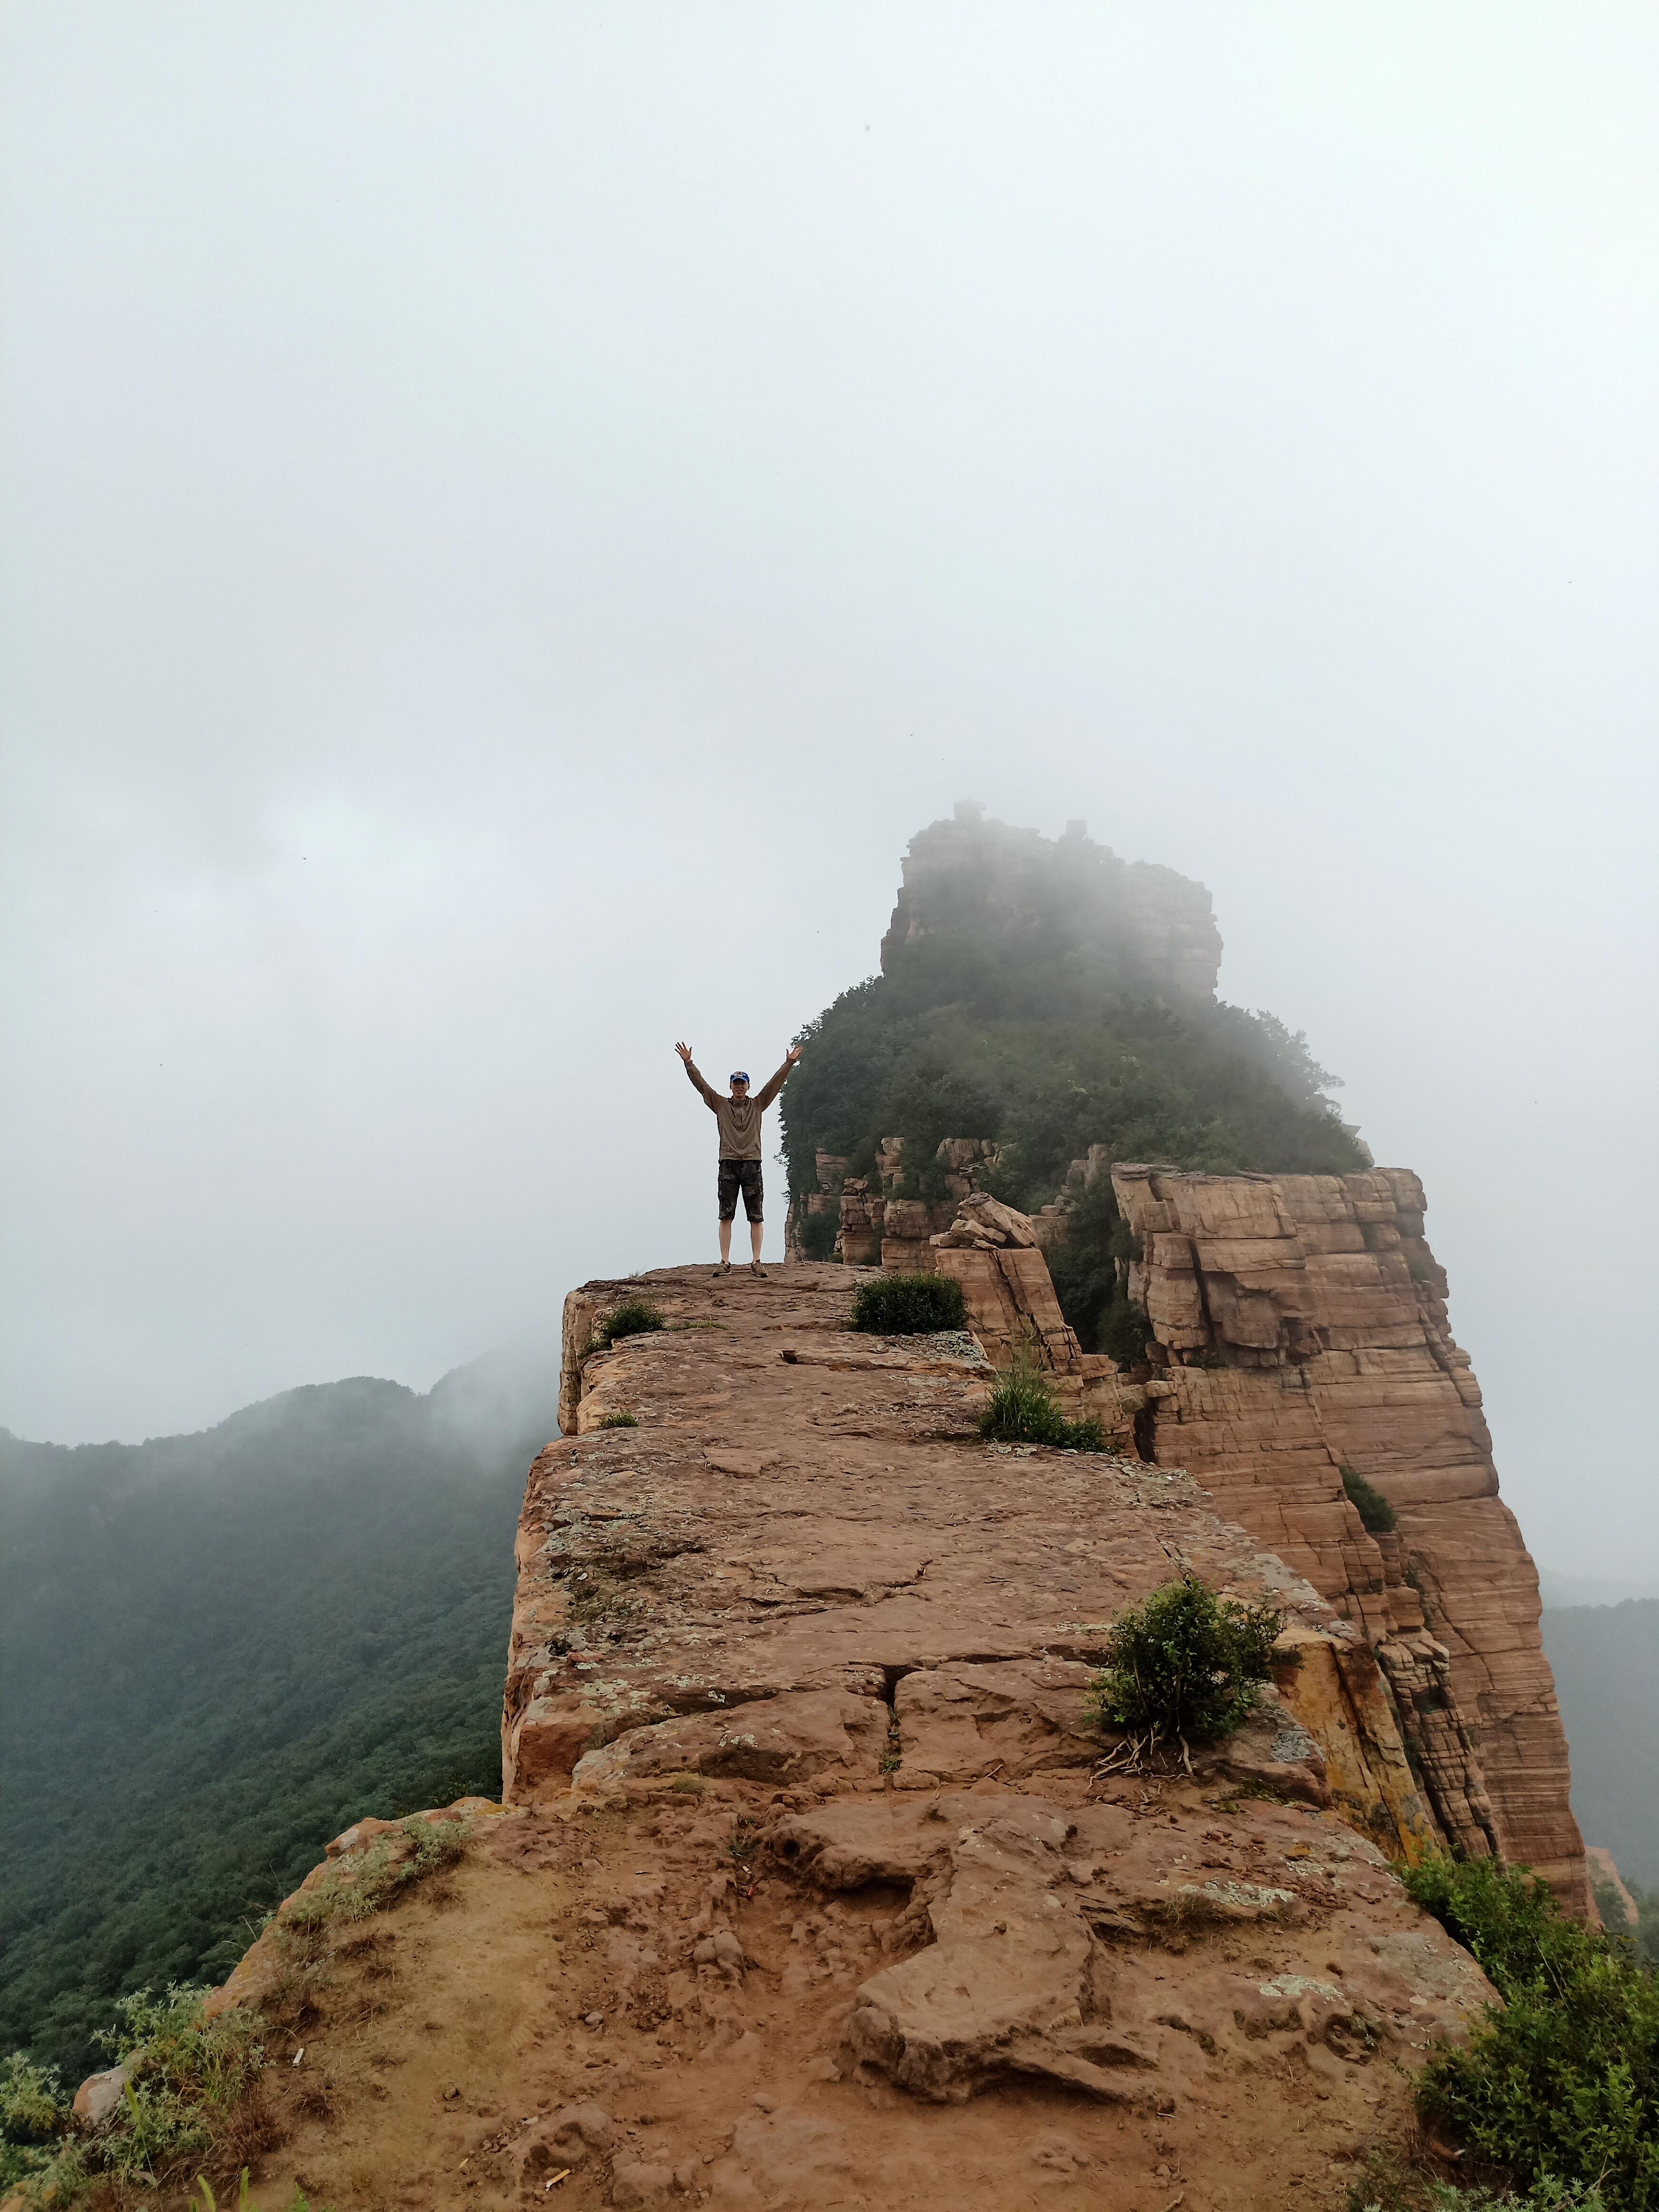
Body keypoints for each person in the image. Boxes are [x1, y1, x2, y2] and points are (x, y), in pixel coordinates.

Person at [674, 1041, 801, 1275]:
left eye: (743, 1084)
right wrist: (689, 1063)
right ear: (731, 1087)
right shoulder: (721, 1105)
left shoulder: (759, 1104)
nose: (739, 1087)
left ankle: (756, 1261)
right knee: (726, 1215)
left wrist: (789, 1063)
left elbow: (775, 1084)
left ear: (748, 1086)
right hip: (728, 1163)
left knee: (756, 1216)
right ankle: (725, 1262)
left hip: (752, 1163)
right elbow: (702, 1087)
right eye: (736, 1084)